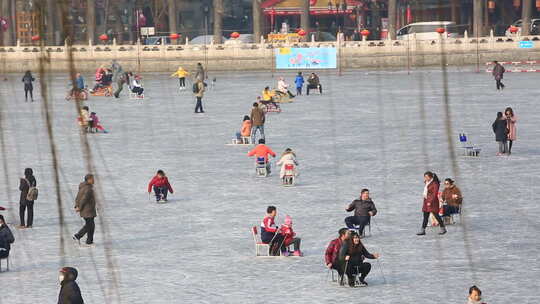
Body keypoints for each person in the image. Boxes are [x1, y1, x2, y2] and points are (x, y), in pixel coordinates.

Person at [417, 171, 446, 235]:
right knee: (425, 216)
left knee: (436, 216)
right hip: (426, 201)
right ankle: (423, 230)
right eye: (424, 177)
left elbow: (435, 194)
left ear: (430, 177)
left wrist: (430, 201)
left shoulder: (435, 183)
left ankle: (443, 228)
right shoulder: (427, 182)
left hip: (432, 202)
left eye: (426, 177)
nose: (425, 178)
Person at [73, 174, 97, 245]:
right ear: (89, 180)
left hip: (87, 210)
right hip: (87, 210)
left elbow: (78, 197)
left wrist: (77, 205)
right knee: (89, 225)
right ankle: (77, 236)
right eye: (92, 179)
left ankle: (89, 241)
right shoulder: (88, 189)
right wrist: (79, 207)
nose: (94, 180)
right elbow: (84, 199)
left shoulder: (83, 187)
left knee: (91, 225)